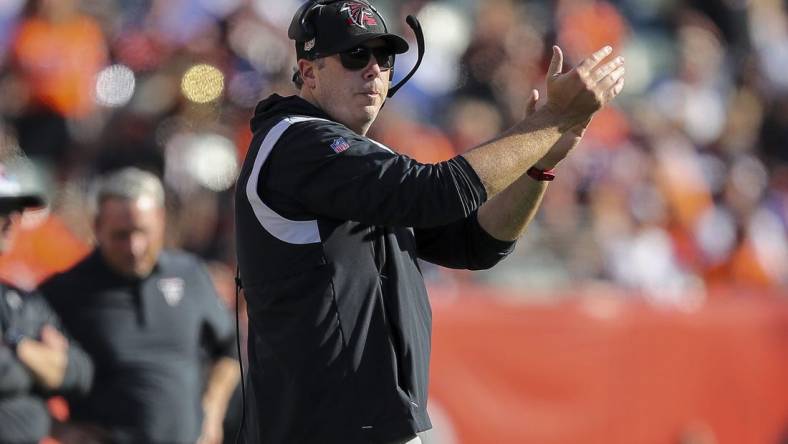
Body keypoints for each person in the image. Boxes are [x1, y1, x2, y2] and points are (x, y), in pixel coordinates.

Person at [234, 1, 625, 443]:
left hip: (368, 422)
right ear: (308, 72)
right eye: (355, 56)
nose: (374, 70)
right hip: (325, 426)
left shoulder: (350, 157)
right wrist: (550, 122)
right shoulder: (295, 141)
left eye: (384, 58)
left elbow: (475, 243)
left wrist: (540, 165)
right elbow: (438, 191)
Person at [41, 167, 240, 444]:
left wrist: (214, 409)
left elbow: (231, 346)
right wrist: (60, 430)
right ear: (97, 227)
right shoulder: (64, 291)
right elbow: (18, 379)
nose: (134, 247)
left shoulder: (189, 273)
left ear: (161, 220)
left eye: (142, 232)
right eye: (121, 235)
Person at [0, 160, 94, 443]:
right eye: (2, 210)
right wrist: (36, 358)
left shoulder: (17, 298)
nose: (11, 220)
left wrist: (14, 344)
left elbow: (79, 373)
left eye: (15, 211)